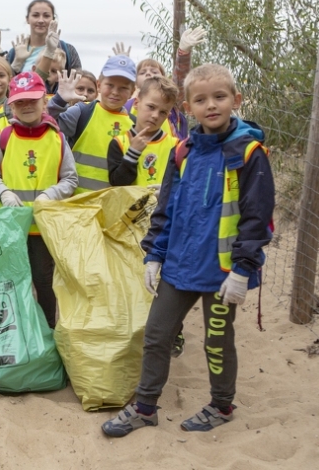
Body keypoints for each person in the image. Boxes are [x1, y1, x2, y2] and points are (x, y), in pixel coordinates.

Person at [101, 63, 275, 437]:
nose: (210, 105)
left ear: (235, 100)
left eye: (219, 97)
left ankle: (221, 405)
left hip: (222, 272)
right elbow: (166, 208)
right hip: (180, 264)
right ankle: (145, 408)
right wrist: (154, 254)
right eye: (200, 99)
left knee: (217, 341)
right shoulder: (183, 151)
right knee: (157, 334)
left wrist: (243, 269)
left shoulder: (249, 153)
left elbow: (256, 217)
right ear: (187, 107)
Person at [0, 72, 78, 328]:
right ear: (11, 105)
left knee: (44, 281)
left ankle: (47, 329)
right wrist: (2, 192)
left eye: (32, 101)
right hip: (11, 229)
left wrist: (51, 194)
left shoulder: (57, 138)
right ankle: (18, 329)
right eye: (20, 102)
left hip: (43, 230)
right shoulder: (5, 137)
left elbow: (70, 179)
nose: (26, 106)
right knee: (13, 281)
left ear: (44, 102)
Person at [48, 55, 136, 194]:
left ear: (132, 92)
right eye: (110, 85)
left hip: (113, 207)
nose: (115, 92)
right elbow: (47, 126)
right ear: (99, 85)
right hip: (77, 203)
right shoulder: (82, 112)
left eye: (123, 88)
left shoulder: (135, 126)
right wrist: (58, 101)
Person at [121, 27, 208, 140]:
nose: (148, 74)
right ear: (135, 81)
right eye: (143, 72)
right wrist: (123, 66)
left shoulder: (170, 101)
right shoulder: (125, 104)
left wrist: (183, 53)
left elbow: (180, 80)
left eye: (154, 72)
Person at [107, 76, 179, 188]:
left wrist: (168, 191)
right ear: (136, 103)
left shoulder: (176, 146)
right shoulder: (119, 143)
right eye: (151, 107)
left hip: (163, 205)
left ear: (168, 116)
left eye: (163, 112)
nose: (155, 115)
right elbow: (117, 183)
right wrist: (133, 153)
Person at [6, 0, 81, 74]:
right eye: (35, 15)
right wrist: (15, 65)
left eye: (46, 16)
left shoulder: (67, 50)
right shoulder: (14, 53)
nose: (41, 20)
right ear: (27, 19)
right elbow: (4, 82)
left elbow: (79, 82)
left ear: (53, 19)